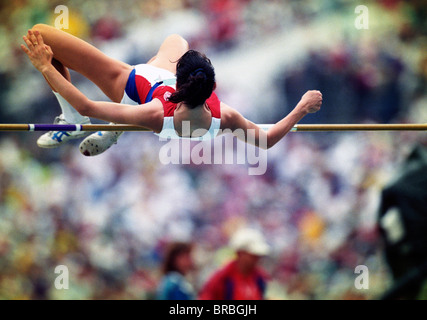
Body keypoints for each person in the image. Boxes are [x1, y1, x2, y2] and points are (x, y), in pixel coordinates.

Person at [20, 25, 322, 156]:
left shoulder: (154, 112)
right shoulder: (224, 115)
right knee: (176, 41)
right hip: (158, 78)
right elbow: (267, 140)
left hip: (130, 86)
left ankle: (68, 123)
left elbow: (87, 107)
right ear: (212, 88)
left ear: (179, 81)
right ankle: (116, 128)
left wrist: (45, 66)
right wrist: (301, 108)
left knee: (42, 36)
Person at [198, 228, 270, 300]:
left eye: (258, 256)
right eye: (252, 256)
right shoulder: (222, 278)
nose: (257, 259)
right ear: (240, 253)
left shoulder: (260, 278)